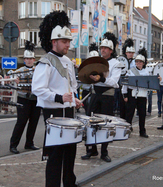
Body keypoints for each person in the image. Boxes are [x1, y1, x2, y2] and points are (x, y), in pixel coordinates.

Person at [32, 11, 81, 187]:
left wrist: (74, 99)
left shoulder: (68, 61)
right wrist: (60, 97)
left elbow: (72, 87)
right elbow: (37, 89)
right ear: (54, 42)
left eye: (69, 41)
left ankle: (69, 183)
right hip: (53, 113)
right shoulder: (45, 62)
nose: (68, 44)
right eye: (64, 41)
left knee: (70, 150)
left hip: (69, 112)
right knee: (55, 154)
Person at [81, 32, 123, 162]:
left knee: (105, 124)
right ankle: (91, 150)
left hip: (107, 96)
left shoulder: (116, 63)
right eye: (101, 48)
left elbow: (115, 82)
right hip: (94, 94)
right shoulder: (96, 61)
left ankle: (104, 152)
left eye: (105, 48)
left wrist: (102, 79)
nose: (102, 50)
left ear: (111, 50)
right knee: (90, 123)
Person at [9, 40, 41, 154]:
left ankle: (29, 143)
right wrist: (14, 80)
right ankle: (13, 145)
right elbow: (11, 77)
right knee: (21, 122)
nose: (29, 60)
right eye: (27, 59)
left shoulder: (38, 70)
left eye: (31, 58)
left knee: (34, 122)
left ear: (34, 59)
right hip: (23, 99)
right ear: (24, 60)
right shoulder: (20, 71)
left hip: (35, 99)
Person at [122, 49, 149, 138]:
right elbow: (125, 84)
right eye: (137, 62)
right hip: (132, 94)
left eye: (140, 62)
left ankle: (142, 131)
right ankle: (127, 131)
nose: (139, 63)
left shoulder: (146, 72)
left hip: (142, 94)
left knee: (142, 114)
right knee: (129, 113)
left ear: (143, 63)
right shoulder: (130, 72)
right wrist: (125, 95)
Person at [119, 38, 136, 119]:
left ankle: (129, 123)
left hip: (130, 86)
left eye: (132, 53)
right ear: (126, 53)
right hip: (121, 85)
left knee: (130, 108)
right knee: (121, 107)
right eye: (129, 52)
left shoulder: (135, 62)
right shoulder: (121, 60)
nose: (131, 54)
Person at [82, 43, 99, 115]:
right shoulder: (85, 68)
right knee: (88, 112)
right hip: (86, 91)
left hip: (96, 92)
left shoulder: (100, 68)